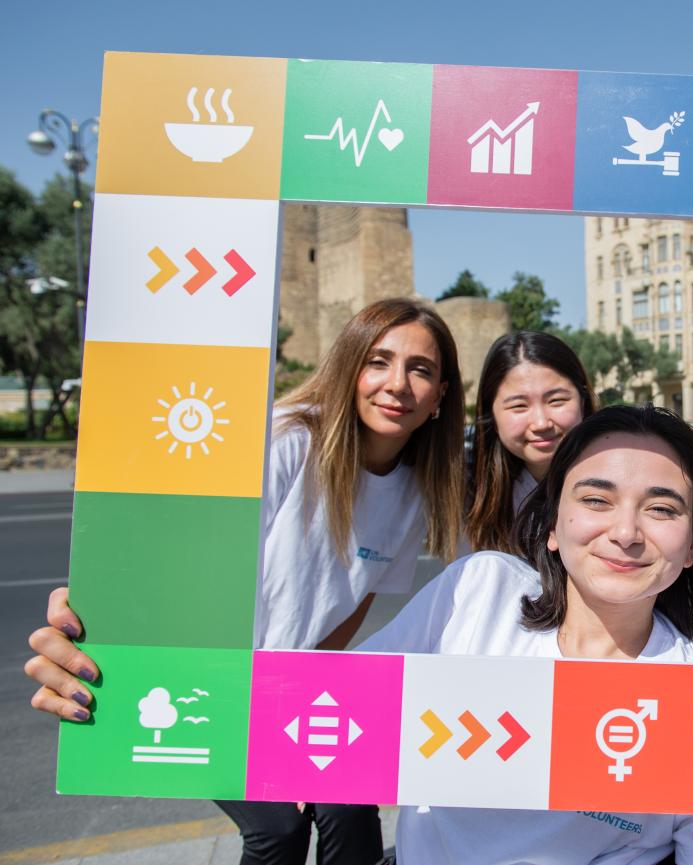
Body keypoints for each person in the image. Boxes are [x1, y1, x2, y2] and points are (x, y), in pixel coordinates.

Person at [28, 405, 693, 865]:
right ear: (552, 526)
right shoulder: (473, 592)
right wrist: (117, 668)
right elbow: (305, 718)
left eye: (661, 508)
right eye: (595, 497)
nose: (623, 527)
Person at [32, 297, 467, 865]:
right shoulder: (289, 441)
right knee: (279, 829)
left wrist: (307, 696)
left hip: (284, 686)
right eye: (378, 361)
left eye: (421, 369)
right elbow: (187, 563)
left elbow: (356, 599)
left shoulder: (417, 489)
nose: (398, 384)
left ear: (439, 398)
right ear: (348, 370)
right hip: (207, 671)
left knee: (351, 798)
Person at [465, 330, 596, 552]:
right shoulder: (465, 482)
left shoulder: (624, 471)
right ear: (491, 413)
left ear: (583, 400)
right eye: (519, 406)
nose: (541, 423)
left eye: (556, 401)